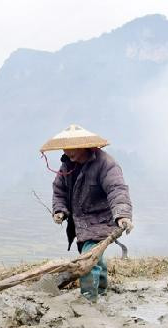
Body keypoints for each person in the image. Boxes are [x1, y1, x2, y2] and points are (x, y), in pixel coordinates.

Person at [42, 124, 133, 300]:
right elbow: (59, 191)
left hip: (101, 221)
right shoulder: (66, 166)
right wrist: (59, 210)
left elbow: (117, 190)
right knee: (95, 257)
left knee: (87, 261)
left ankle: (88, 299)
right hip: (80, 223)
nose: (68, 152)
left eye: (72, 148)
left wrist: (122, 214)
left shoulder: (106, 164)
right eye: (65, 148)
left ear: (85, 145)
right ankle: (102, 289)